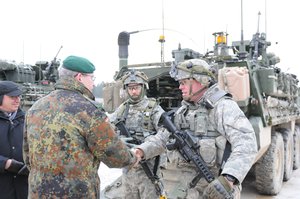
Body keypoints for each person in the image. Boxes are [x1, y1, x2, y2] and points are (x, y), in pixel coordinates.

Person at [134, 59, 258, 198]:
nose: (180, 87)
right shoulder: (183, 110)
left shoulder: (222, 107)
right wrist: (141, 151)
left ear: (201, 80)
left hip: (215, 191)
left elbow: (247, 143)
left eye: (184, 83)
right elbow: (162, 138)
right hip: (185, 190)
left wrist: (228, 179)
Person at [23, 55, 137, 199]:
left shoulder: (35, 108)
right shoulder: (88, 110)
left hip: (38, 193)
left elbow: (27, 156)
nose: (93, 84)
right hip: (75, 193)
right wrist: (133, 157)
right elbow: (116, 157)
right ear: (79, 77)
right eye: (91, 78)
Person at [109, 69, 167, 199]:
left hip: (149, 170)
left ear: (143, 87)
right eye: (130, 88)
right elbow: (108, 128)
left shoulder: (154, 108)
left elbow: (164, 135)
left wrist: (143, 150)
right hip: (128, 170)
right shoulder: (123, 108)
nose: (133, 92)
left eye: (136, 88)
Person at [0, 81, 29, 199]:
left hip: (25, 189)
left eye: (19, 96)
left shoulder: (29, 120)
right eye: (12, 97)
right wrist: (5, 163)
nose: (17, 100)